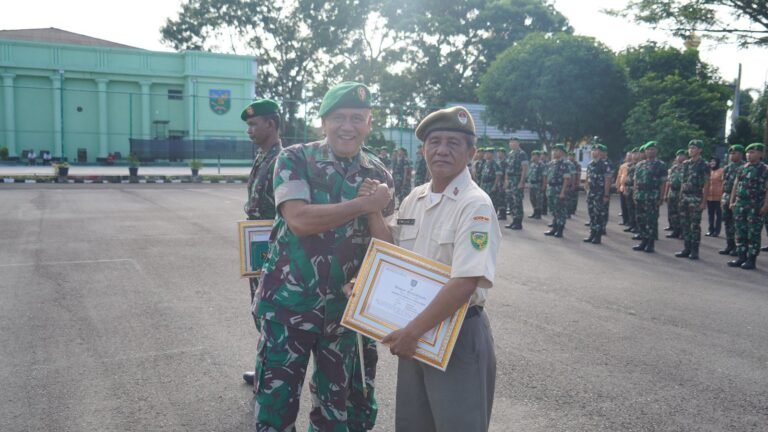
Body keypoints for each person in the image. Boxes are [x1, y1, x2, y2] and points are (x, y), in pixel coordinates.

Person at [252, 81, 394, 431]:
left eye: (357, 118)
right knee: (275, 410)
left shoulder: (378, 172)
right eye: (339, 117)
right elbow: (298, 219)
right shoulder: (295, 158)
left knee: (336, 413)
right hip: (289, 308)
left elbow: (387, 247)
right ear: (323, 122)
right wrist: (363, 204)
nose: (348, 126)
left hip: (345, 316)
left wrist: (375, 212)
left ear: (369, 123)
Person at [384, 105, 500, 432]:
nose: (442, 150)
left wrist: (413, 331)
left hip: (456, 333)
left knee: (457, 425)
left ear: (471, 152)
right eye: (435, 141)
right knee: (413, 424)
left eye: (453, 142)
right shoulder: (415, 198)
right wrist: (368, 211)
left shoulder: (474, 205)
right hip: (416, 330)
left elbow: (465, 282)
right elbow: (390, 251)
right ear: (423, 149)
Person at [240, 99, 284, 388]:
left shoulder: (282, 160)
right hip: (257, 246)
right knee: (259, 309)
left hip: (273, 247)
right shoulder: (262, 156)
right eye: (248, 126)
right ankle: (264, 369)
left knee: (270, 312)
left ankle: (273, 377)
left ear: (271, 124)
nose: (249, 130)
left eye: (254, 124)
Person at [727, 143, 768, 270]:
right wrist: (732, 201)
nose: (749, 155)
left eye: (753, 152)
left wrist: (765, 206)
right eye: (748, 152)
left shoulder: (764, 169)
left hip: (755, 205)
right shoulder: (742, 168)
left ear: (761, 154)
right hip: (740, 204)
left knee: (753, 233)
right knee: (740, 231)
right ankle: (741, 257)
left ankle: (751, 259)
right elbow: (735, 185)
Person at [675, 139, 711, 260]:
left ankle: (694, 251)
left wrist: (703, 202)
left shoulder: (704, 164)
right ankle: (686, 248)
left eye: (694, 148)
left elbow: (706, 184)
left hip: (696, 197)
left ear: (700, 150)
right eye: (690, 148)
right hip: (684, 197)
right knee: (685, 224)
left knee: (694, 225)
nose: (691, 150)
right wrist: (680, 197)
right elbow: (683, 182)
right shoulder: (685, 164)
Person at [632, 141, 667, 253]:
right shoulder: (640, 164)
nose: (650, 151)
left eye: (652, 149)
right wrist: (635, 193)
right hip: (640, 195)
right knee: (640, 219)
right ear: (645, 151)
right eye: (648, 149)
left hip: (653, 195)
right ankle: (643, 241)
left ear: (656, 151)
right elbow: (636, 181)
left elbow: (663, 182)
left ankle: (650, 243)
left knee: (651, 220)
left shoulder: (660, 165)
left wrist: (661, 197)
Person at [583, 144, 613, 244]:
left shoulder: (604, 165)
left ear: (600, 153)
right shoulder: (590, 164)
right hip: (591, 193)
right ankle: (592, 233)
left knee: (598, 215)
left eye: (596, 150)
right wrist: (586, 188)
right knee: (591, 214)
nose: (593, 152)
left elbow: (607, 180)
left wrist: (606, 194)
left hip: (600, 193)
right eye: (593, 150)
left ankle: (597, 236)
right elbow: (588, 177)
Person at [719, 145, 745, 256]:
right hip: (726, 196)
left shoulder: (744, 167)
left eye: (734, 153)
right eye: (731, 153)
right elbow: (723, 183)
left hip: (737, 198)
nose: (732, 155)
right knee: (727, 223)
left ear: (740, 154)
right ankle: (729, 245)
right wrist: (722, 198)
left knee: (737, 224)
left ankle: (738, 248)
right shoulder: (727, 168)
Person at [543, 144, 571, 238]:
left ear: (562, 152)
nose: (554, 152)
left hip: (559, 188)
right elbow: (547, 177)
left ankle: (560, 229)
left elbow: (566, 179)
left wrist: (563, 192)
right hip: (551, 189)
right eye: (553, 150)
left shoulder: (565, 164)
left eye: (557, 150)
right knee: (553, 210)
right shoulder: (551, 163)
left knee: (560, 210)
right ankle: (554, 228)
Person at [504, 138, 529, 229]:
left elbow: (524, 168)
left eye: (514, 142)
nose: (512, 144)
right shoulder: (510, 154)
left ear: (518, 143)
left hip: (517, 179)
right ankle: (513, 220)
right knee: (510, 201)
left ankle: (518, 222)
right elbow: (507, 168)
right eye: (510, 142)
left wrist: (522, 182)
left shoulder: (522, 154)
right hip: (510, 180)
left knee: (517, 201)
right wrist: (506, 180)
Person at [665, 150, 687, 239]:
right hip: (672, 192)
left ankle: (683, 232)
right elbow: (669, 181)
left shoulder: (687, 167)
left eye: (682, 155)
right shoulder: (673, 168)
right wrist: (666, 194)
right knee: (672, 212)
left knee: (681, 213)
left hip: (681, 192)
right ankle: (675, 230)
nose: (679, 157)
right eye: (678, 155)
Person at [622, 148, 641, 233]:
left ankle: (637, 227)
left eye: (636, 153)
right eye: (633, 154)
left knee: (636, 209)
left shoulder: (640, 165)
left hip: (635, 188)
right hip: (628, 188)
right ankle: (631, 224)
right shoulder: (630, 165)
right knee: (629, 208)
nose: (634, 155)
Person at [480, 148, 503, 218]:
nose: (485, 155)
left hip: (491, 184)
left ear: (491, 154)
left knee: (492, 202)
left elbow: (498, 175)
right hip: (484, 185)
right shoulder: (485, 163)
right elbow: (483, 175)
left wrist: (495, 186)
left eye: (487, 153)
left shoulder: (495, 164)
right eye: (485, 153)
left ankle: (493, 217)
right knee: (484, 201)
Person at [705, 157, 724, 237]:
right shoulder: (709, 171)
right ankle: (710, 230)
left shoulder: (721, 171)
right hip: (709, 196)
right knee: (710, 214)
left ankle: (717, 231)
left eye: (714, 161)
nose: (712, 163)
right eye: (711, 161)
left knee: (718, 215)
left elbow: (723, 183)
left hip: (719, 197)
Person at [526, 150, 545, 219]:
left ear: (538, 157)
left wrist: (544, 185)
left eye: (535, 156)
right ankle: (534, 211)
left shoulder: (541, 165)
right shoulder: (532, 164)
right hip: (532, 184)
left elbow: (544, 176)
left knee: (538, 199)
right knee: (532, 199)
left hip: (538, 184)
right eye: (533, 155)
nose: (533, 157)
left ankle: (538, 213)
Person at [616, 152, 632, 225]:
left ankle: (630, 221)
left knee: (629, 206)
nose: (629, 157)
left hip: (629, 188)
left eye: (630, 156)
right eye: (628, 156)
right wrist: (617, 185)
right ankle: (624, 220)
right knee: (623, 205)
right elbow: (619, 176)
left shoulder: (634, 166)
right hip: (622, 187)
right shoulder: (622, 166)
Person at [566, 151, 581, 217]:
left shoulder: (577, 165)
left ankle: (573, 210)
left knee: (574, 197)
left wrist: (576, 183)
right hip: (568, 183)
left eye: (572, 156)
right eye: (569, 155)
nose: (570, 157)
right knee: (568, 198)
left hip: (575, 183)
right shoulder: (567, 164)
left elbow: (578, 175)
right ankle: (569, 210)